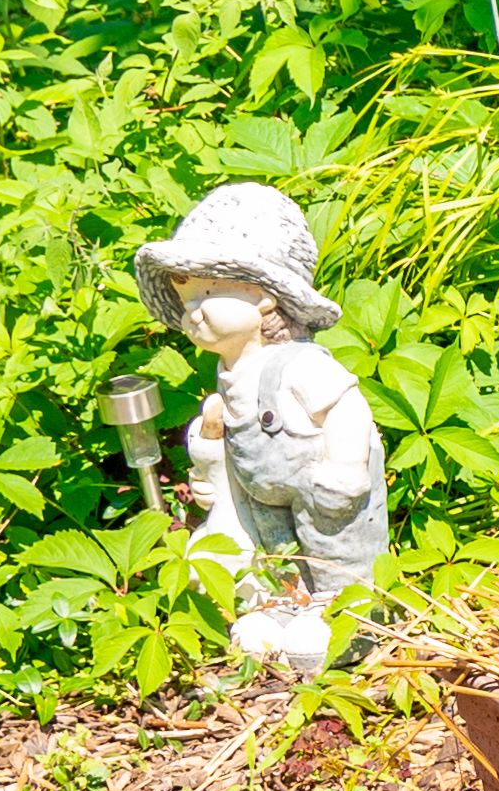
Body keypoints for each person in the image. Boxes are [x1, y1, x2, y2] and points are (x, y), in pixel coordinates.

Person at [137, 180, 389, 677]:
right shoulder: (230, 377)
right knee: (278, 549)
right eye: (186, 298)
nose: (193, 312)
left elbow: (346, 406)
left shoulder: (299, 364)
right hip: (265, 494)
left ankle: (349, 615)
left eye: (209, 293)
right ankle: (285, 605)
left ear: (267, 300)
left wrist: (343, 469)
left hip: (326, 497)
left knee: (335, 548)